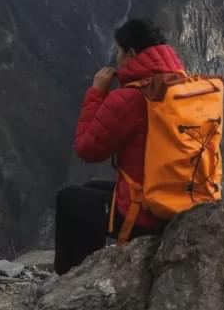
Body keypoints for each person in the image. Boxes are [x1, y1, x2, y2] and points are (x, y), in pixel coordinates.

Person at [54, 18, 187, 275]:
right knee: (92, 188)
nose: (116, 58)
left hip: (149, 214)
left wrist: (96, 94)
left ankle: (74, 280)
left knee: (70, 199)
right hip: (182, 200)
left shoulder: (131, 98)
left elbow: (87, 148)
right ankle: (92, 270)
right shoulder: (181, 86)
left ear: (132, 54)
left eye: (118, 51)